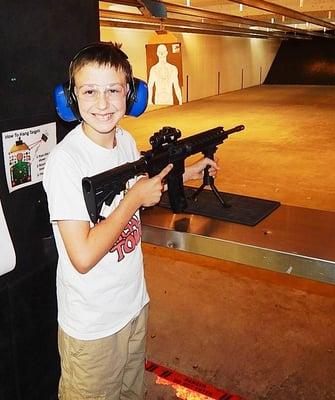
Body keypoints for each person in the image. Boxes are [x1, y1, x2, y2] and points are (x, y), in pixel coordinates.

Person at [43, 42, 218, 399]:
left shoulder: (124, 139)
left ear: (132, 94)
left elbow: (135, 182)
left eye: (114, 90)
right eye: (90, 91)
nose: (103, 103)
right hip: (93, 327)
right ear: (71, 99)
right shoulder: (66, 162)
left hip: (133, 305)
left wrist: (185, 172)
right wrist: (135, 200)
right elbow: (83, 256)